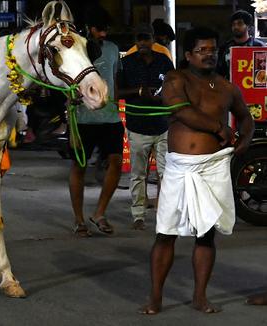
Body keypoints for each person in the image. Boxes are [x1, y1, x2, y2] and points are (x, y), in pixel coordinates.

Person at [139, 27, 254, 315]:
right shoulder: (176, 79)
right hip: (181, 167)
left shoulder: (227, 87)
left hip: (214, 166)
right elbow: (182, 111)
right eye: (202, 50)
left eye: (213, 50)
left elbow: (245, 117)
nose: (209, 54)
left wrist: (245, 140)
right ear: (188, 54)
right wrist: (219, 127)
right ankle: (155, 297)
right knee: (166, 233)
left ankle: (200, 297)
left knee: (206, 235)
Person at [69, 13, 123, 237]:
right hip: (83, 119)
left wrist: (118, 108)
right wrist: (69, 103)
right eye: (99, 28)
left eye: (106, 29)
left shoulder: (112, 49)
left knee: (116, 162)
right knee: (78, 167)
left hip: (110, 118)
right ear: (89, 28)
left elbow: (115, 79)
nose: (103, 33)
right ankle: (79, 220)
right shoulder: (75, 49)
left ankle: (99, 213)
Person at [118, 24, 174, 231]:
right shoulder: (127, 63)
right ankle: (138, 215)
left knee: (166, 174)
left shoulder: (164, 61)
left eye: (146, 38)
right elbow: (117, 92)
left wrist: (163, 96)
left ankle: (165, 214)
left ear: (152, 40)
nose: (142, 42)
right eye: (139, 38)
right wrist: (139, 91)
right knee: (138, 174)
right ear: (135, 40)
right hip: (138, 126)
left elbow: (174, 86)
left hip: (162, 126)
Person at [217, 10, 265, 79]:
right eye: (233, 24)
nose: (236, 27)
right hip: (231, 88)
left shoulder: (259, 47)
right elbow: (219, 73)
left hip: (252, 87)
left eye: (240, 24)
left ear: (248, 27)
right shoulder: (225, 48)